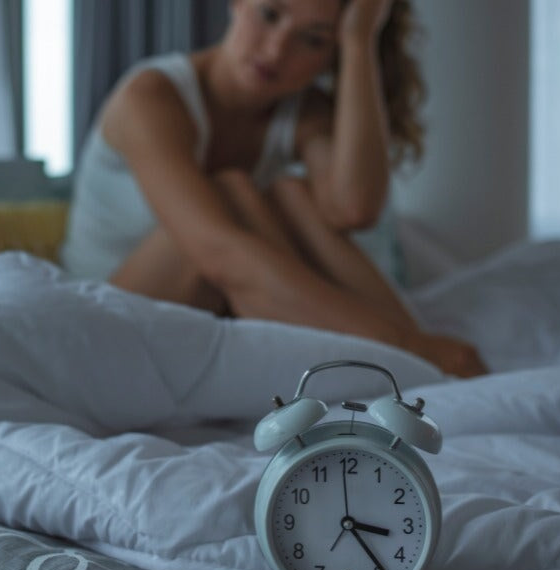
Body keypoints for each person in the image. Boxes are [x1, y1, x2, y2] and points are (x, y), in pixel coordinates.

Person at [60, 0, 486, 378]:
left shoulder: (302, 112)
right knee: (230, 193)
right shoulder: (151, 96)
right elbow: (217, 254)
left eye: (313, 40)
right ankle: (411, 359)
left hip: (203, 315)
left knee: (290, 194)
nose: (276, 50)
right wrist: (404, 345)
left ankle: (416, 362)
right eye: (269, 14)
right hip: (104, 323)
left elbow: (354, 208)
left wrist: (359, 41)